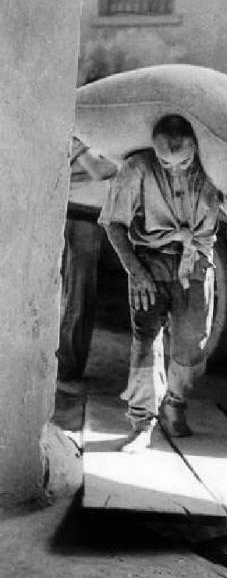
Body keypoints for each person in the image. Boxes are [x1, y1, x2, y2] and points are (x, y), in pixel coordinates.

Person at [98, 115, 226, 452]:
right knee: (146, 340)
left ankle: (175, 402)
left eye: (183, 161)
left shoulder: (212, 170)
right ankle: (142, 422)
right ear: (154, 152)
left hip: (196, 259)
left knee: (192, 342)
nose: (175, 170)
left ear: (196, 150)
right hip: (149, 261)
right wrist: (135, 271)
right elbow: (114, 225)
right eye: (166, 163)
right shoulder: (136, 169)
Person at [55, 138, 116, 407]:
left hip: (89, 217)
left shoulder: (93, 134)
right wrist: (126, 159)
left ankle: (69, 368)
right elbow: (99, 171)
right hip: (76, 215)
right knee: (77, 295)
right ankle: (64, 372)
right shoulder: (77, 132)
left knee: (81, 294)